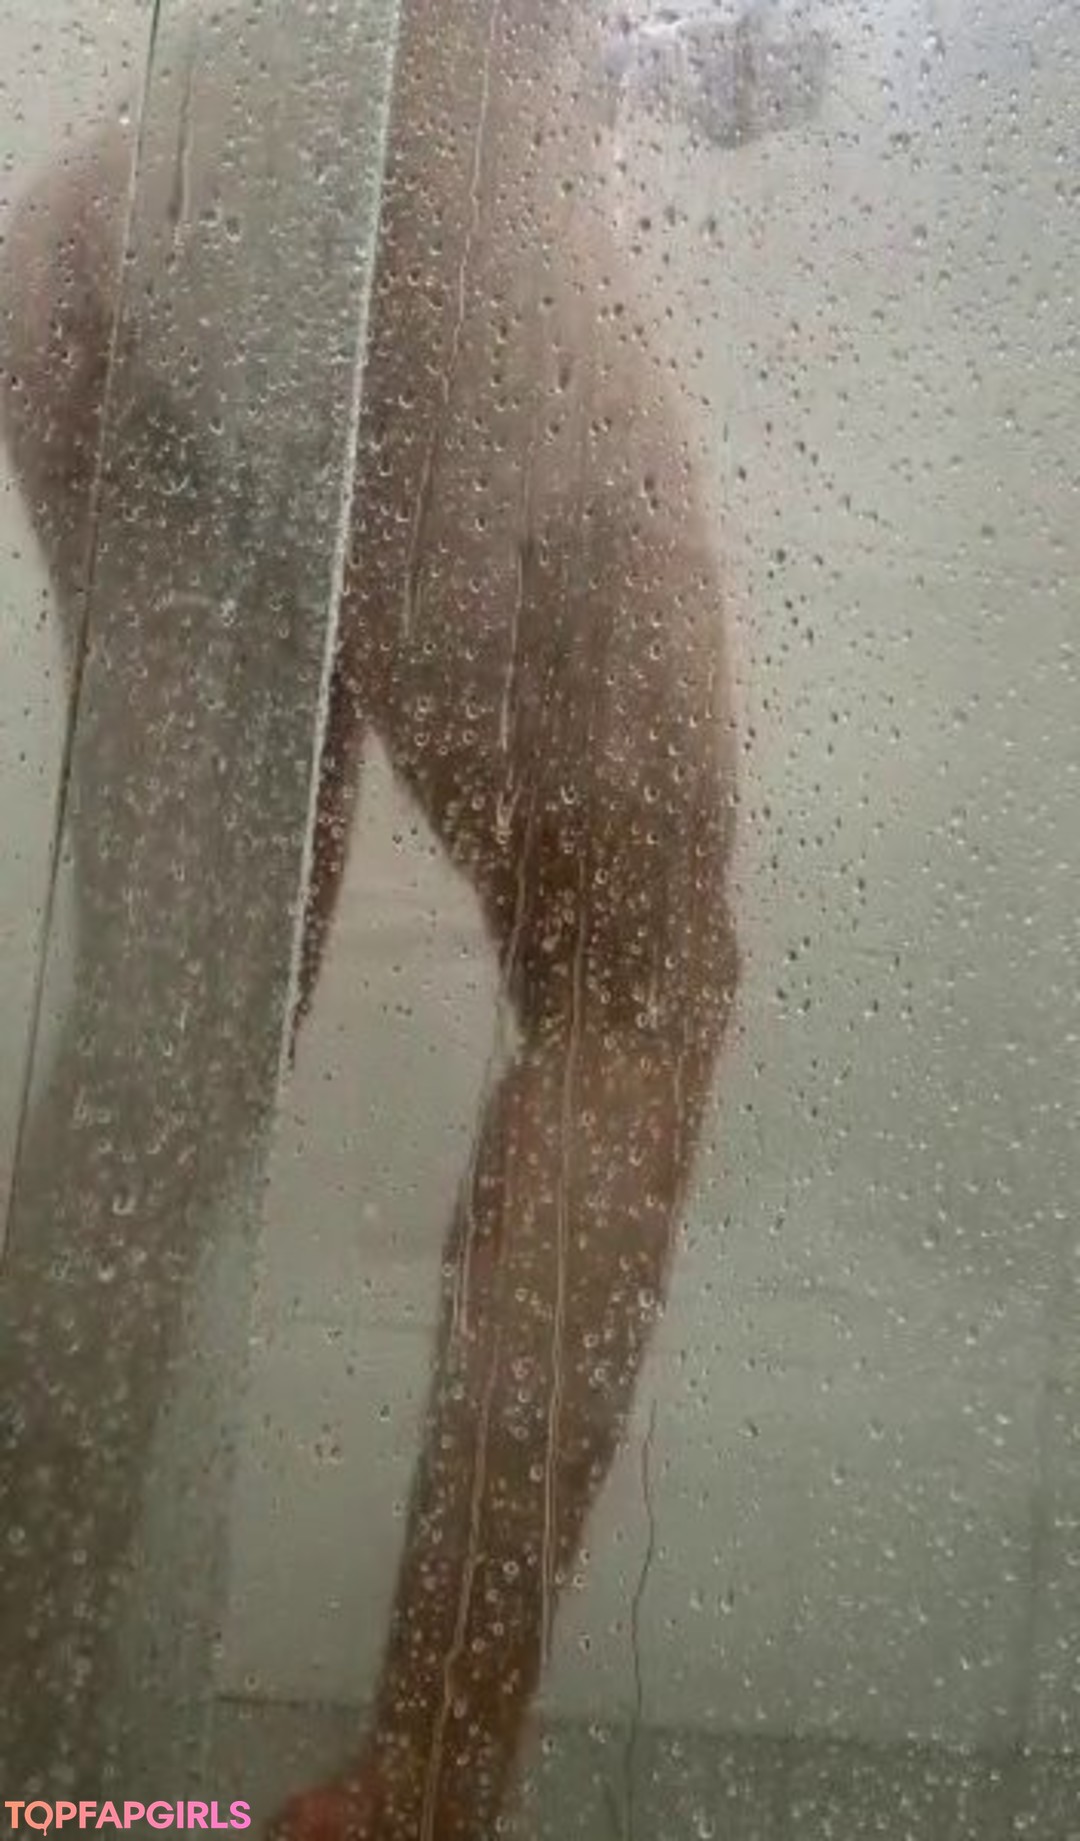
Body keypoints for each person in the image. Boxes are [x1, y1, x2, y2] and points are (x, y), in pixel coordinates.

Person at [0, 3, 738, 1834]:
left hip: (122, 224)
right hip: (436, 218)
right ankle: (420, 1785)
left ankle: (31, 1750)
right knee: (633, 982)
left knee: (171, 1039)